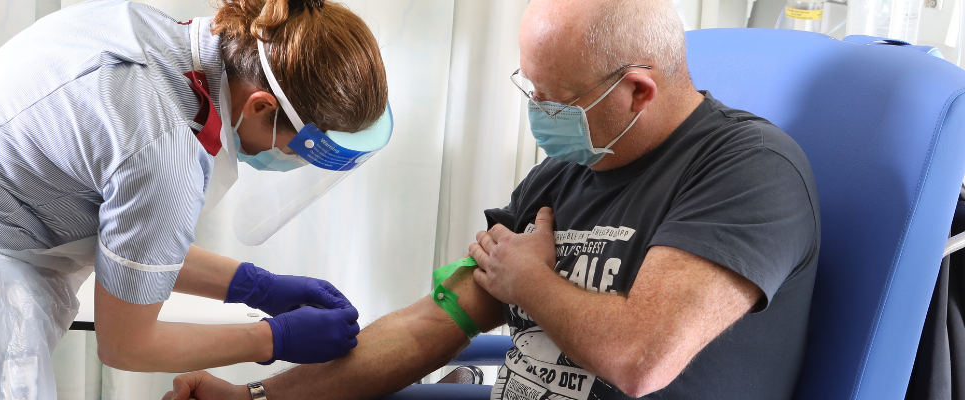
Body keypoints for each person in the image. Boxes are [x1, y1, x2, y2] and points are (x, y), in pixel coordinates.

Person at [164, 0, 820, 399]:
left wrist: (529, 280)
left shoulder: (747, 172)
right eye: (529, 89)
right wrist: (256, 397)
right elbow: (435, 324)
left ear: (639, 93)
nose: (537, 114)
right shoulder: (566, 172)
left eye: (552, 98)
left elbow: (639, 359)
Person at [0, 0, 392, 398]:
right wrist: (273, 340)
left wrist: (257, 286)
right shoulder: (165, 145)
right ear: (261, 106)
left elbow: (128, 240)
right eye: (297, 150)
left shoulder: (147, 33)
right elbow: (127, 343)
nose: (288, 162)